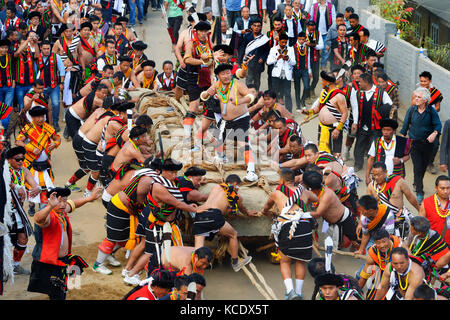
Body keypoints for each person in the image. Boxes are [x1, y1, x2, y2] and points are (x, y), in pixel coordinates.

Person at [27, 186, 101, 300]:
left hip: (62, 259)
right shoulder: (48, 215)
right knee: (57, 295)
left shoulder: (61, 211)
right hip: (49, 262)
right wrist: (50, 206)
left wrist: (89, 198)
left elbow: (74, 203)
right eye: (59, 201)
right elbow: (38, 219)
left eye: (64, 201)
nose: (63, 204)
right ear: (51, 201)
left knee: (63, 290)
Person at [260, 168, 318, 299]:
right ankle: (299, 292)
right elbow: (315, 198)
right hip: (304, 227)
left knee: (285, 261)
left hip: (288, 228)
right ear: (294, 179)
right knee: (300, 262)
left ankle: (290, 291)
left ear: (281, 180)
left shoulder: (276, 193)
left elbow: (266, 207)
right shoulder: (304, 191)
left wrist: (264, 212)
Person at [200, 63, 259, 182]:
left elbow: (250, 96)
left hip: (241, 118)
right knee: (216, 140)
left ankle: (251, 171)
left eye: (228, 73)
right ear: (218, 76)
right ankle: (221, 157)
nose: (226, 76)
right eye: (223, 74)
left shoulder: (237, 84)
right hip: (225, 120)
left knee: (243, 143)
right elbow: (203, 97)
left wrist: (240, 101)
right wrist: (207, 93)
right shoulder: (216, 85)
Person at [193, 174, 257, 272]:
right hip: (213, 215)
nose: (238, 189)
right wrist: (247, 212)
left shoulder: (216, 187)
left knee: (198, 249)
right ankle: (236, 263)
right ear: (235, 184)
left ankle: (193, 268)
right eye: (238, 186)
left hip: (199, 215)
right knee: (233, 235)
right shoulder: (234, 194)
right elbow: (240, 209)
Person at [15, 106, 61, 215]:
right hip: (31, 163)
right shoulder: (27, 128)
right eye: (38, 117)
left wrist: (55, 143)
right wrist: (31, 148)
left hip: (45, 163)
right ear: (32, 117)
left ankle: (43, 206)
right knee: (32, 185)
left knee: (45, 185)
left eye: (42, 116)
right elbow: (18, 141)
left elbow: (57, 138)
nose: (41, 119)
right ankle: (31, 205)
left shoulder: (47, 127)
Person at [400, 87, 441, 203]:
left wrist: (434, 133)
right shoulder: (411, 110)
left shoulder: (431, 111)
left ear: (425, 100)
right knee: (417, 167)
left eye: (419, 97)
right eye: (416, 97)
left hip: (427, 145)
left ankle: (416, 182)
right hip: (414, 144)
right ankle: (419, 191)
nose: (416, 99)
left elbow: (438, 125)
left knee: (423, 167)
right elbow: (404, 127)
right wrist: (402, 141)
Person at [5, 146, 41, 275]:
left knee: (23, 238)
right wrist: (17, 187)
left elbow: (33, 184)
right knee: (3, 240)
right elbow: (7, 182)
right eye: (17, 159)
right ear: (9, 160)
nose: (20, 162)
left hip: (18, 211)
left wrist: (36, 188)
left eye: (22, 159)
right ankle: (3, 269)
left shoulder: (24, 171)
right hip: (4, 212)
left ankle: (15, 265)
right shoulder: (4, 171)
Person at [302, 170, 359, 250]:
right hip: (329, 221)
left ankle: (356, 247)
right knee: (330, 240)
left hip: (344, 218)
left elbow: (318, 214)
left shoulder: (326, 195)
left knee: (353, 240)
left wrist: (300, 214)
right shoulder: (315, 191)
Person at [350, 73, 393, 172]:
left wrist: (378, 113)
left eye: (360, 81)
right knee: (359, 145)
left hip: (375, 127)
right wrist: (355, 122)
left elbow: (389, 104)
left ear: (366, 82)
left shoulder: (381, 93)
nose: (358, 83)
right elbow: (355, 109)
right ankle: (358, 164)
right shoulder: (357, 93)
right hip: (362, 125)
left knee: (374, 147)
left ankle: (375, 167)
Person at [366, 162, 419, 239]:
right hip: (382, 220)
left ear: (386, 172)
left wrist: (420, 210)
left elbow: (410, 197)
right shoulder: (371, 186)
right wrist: (362, 223)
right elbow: (366, 205)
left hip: (399, 219)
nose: (376, 177)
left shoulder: (398, 181)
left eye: (379, 175)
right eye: (374, 175)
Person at [302, 71, 347, 156]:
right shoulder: (324, 92)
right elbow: (318, 108)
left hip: (334, 129)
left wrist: (338, 129)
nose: (321, 82)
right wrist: (308, 112)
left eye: (323, 81)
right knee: (322, 152)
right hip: (322, 127)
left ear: (328, 82)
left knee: (335, 154)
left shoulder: (339, 96)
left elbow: (345, 113)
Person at [411, 71, 443, 174]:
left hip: (432, 122)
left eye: (425, 81)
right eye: (421, 81)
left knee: (434, 144)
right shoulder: (417, 92)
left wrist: (430, 108)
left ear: (430, 81)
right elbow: (412, 104)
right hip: (419, 121)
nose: (423, 83)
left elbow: (438, 107)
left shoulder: (436, 93)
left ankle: (430, 163)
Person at [358, 229, 403, 300]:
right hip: (378, 276)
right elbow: (365, 274)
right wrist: (356, 290)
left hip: (397, 276)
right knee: (371, 297)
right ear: (375, 243)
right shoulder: (373, 251)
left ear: (389, 238)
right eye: (378, 243)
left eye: (384, 241)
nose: (382, 245)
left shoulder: (399, 245)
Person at [37, 40, 65, 132]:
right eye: (44, 49)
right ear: (41, 48)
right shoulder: (37, 57)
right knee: (42, 105)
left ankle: (55, 123)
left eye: (48, 48)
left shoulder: (56, 56)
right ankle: (44, 123)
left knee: (56, 104)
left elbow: (62, 70)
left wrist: (62, 83)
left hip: (54, 86)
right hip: (41, 87)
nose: (46, 50)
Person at [266, 32, 296, 112]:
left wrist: (288, 59)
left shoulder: (290, 49)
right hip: (276, 74)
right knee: (274, 93)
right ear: (278, 41)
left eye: (285, 42)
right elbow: (268, 62)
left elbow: (294, 62)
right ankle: (273, 111)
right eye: (282, 42)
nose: (284, 44)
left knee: (287, 94)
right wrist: (277, 58)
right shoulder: (273, 49)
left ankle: (289, 112)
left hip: (287, 74)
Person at [238, 18, 269, 92]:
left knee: (257, 82)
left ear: (261, 27)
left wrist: (263, 58)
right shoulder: (247, 37)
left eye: (258, 26)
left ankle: (256, 97)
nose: (256, 27)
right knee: (248, 81)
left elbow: (267, 51)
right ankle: (249, 97)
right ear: (251, 26)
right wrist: (239, 61)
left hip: (258, 63)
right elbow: (242, 49)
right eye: (255, 26)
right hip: (248, 63)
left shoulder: (264, 38)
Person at [308, 0, 336, 69]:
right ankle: (314, 65)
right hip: (316, 31)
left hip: (326, 31)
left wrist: (331, 30)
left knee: (325, 50)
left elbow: (334, 19)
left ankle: (323, 64)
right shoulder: (314, 6)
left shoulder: (331, 6)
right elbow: (311, 17)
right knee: (315, 47)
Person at [292, 31, 312, 110]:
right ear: (297, 39)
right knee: (297, 88)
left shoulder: (307, 47)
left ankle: (302, 100)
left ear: (305, 40)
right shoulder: (293, 47)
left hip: (305, 69)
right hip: (296, 70)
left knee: (307, 86)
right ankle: (298, 105)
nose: (301, 41)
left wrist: (309, 70)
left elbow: (308, 59)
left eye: (303, 39)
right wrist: (291, 72)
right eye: (299, 39)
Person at [305, 20, 323, 97]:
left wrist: (312, 45)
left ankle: (312, 89)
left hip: (315, 57)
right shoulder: (303, 34)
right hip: (305, 58)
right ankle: (307, 93)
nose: (312, 30)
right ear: (307, 27)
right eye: (310, 29)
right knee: (307, 77)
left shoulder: (318, 33)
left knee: (316, 77)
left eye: (313, 29)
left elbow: (321, 46)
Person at [0, 39, 15, 133]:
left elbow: (13, 69)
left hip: (9, 87)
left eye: (6, 47)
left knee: (7, 108)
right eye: (2, 48)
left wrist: (13, 82)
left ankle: (5, 130)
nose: (4, 49)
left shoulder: (9, 57)